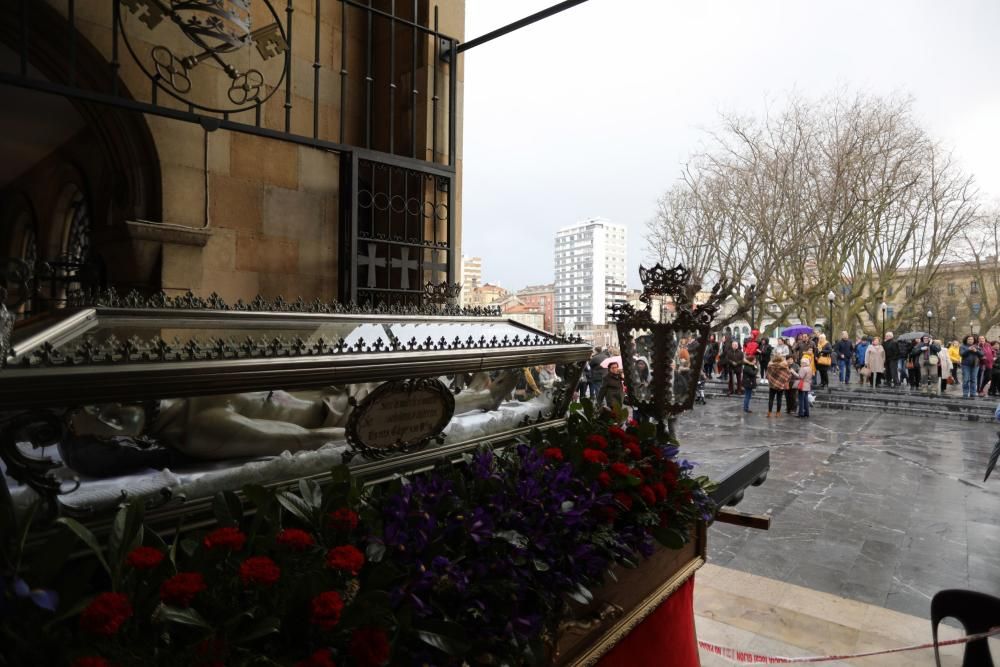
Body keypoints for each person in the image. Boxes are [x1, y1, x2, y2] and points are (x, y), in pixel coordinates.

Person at [960, 335, 983, 399]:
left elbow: (982, 354)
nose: (970, 340)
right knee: (966, 379)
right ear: (966, 340)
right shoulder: (963, 346)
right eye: (969, 339)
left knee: (974, 379)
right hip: (965, 365)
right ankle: (965, 393)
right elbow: (961, 354)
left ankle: (973, 393)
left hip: (975, 365)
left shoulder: (977, 346)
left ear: (974, 340)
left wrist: (976, 351)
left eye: (972, 339)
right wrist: (968, 350)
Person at [796, 352, 815, 417]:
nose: (800, 363)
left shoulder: (803, 368)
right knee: (806, 400)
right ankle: (807, 413)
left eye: (801, 362)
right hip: (807, 385)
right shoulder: (810, 368)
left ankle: (801, 413)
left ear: (804, 363)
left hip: (802, 385)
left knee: (801, 400)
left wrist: (793, 372)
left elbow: (800, 377)